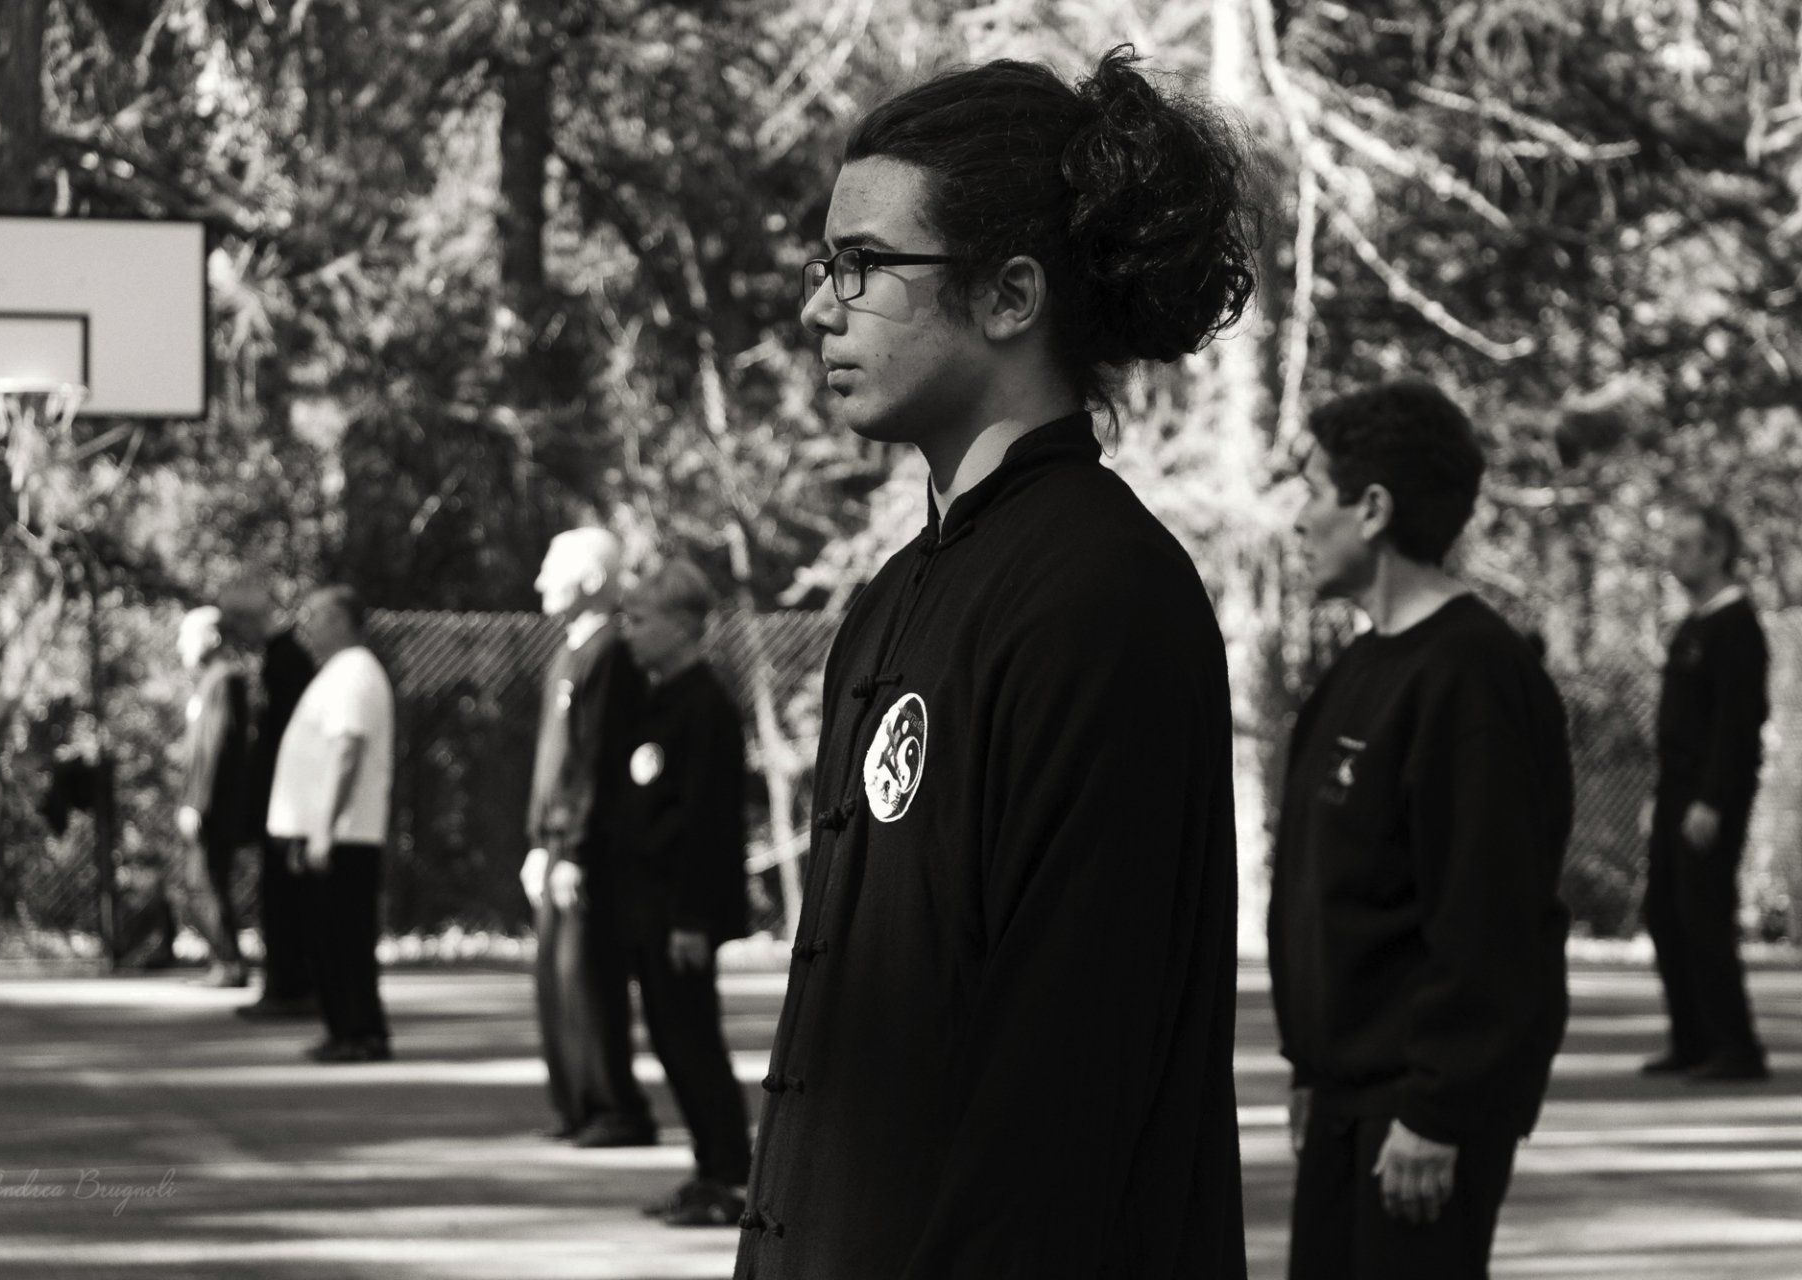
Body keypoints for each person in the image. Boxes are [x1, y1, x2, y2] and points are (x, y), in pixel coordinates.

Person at [737, 47, 1255, 1278]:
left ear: (1011, 294)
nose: (821, 306)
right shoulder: (899, 596)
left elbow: (1061, 1086)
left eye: (861, 266)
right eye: (825, 266)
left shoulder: (1099, 596)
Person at [1269, 382, 1573, 1280]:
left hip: (1420, 1119)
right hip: (1343, 1102)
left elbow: (1492, 919)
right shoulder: (1355, 671)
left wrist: (1439, 1111)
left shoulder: (1475, 681)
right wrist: (1309, 1070)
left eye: (1312, 490)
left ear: (1372, 510)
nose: (1296, 520)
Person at [616, 559, 753, 1228]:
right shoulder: (657, 698)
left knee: (694, 1040)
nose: (628, 633)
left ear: (681, 626)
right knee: (673, 1040)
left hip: (679, 911)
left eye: (639, 620)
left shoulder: (706, 707)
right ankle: (710, 1168)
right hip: (648, 906)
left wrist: (693, 917)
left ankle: (731, 1176)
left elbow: (706, 822)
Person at [520, 528, 655, 1146]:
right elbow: (556, 763)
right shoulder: (569, 652)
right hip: (554, 848)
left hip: (587, 852)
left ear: (594, 580)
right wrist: (539, 845)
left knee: (588, 979)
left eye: (555, 566)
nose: (541, 580)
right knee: (555, 978)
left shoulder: (611, 654)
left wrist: (572, 851)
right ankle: (574, 1104)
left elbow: (595, 761)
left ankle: (616, 1109)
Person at [1640, 504, 1771, 1082]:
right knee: (1666, 913)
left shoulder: (1736, 627)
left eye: (1687, 544)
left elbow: (1736, 726)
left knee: (1702, 915)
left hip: (1706, 797)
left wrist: (1712, 800)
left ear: (1717, 552)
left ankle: (1735, 1046)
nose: (1675, 554)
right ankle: (1692, 1040)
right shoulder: (1693, 625)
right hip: (1675, 792)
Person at [267, 586, 396, 1063]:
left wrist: (324, 827)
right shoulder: (335, 673)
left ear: (345, 621)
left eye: (318, 615)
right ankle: (343, 1029)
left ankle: (363, 1033)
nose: (308, 624)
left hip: (344, 834)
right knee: (326, 937)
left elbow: (347, 751)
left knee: (346, 938)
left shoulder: (356, 672)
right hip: (326, 832)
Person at [221, 578, 320, 1019]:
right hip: (279, 797)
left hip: (289, 799)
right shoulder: (278, 659)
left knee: (284, 896)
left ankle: (290, 986)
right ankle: (283, 982)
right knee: (275, 894)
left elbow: (289, 739)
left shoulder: (288, 661)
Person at [175, 606, 250, 988]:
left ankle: (230, 963)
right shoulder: (210, 682)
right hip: (208, 803)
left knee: (205, 880)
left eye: (187, 635)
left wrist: (197, 803)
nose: (180, 645)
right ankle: (224, 961)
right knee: (201, 880)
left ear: (212, 638)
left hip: (215, 805)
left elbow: (216, 748)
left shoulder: (225, 680)